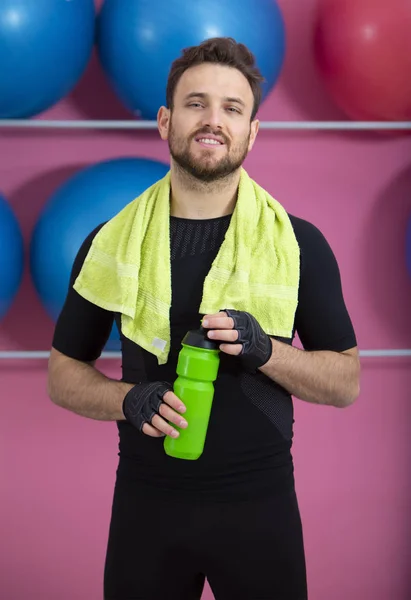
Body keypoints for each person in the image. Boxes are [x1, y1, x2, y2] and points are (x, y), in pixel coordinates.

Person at [47, 37, 360, 600]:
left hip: (259, 509)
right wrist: (125, 399)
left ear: (253, 131)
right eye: (196, 103)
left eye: (232, 108)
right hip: (146, 507)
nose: (213, 120)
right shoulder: (110, 243)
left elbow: (346, 383)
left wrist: (268, 349)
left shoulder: (299, 244)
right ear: (165, 120)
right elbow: (63, 374)